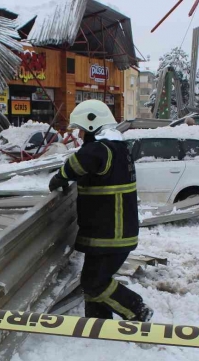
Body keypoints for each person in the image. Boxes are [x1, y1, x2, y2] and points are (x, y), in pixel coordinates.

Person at [49, 100, 153, 322]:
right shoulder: (117, 148)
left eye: (80, 129)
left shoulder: (101, 149)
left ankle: (137, 311)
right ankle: (99, 322)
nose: (79, 134)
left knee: (95, 282)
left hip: (110, 234)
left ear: (91, 125)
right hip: (108, 233)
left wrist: (61, 177)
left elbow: (77, 163)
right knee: (93, 280)